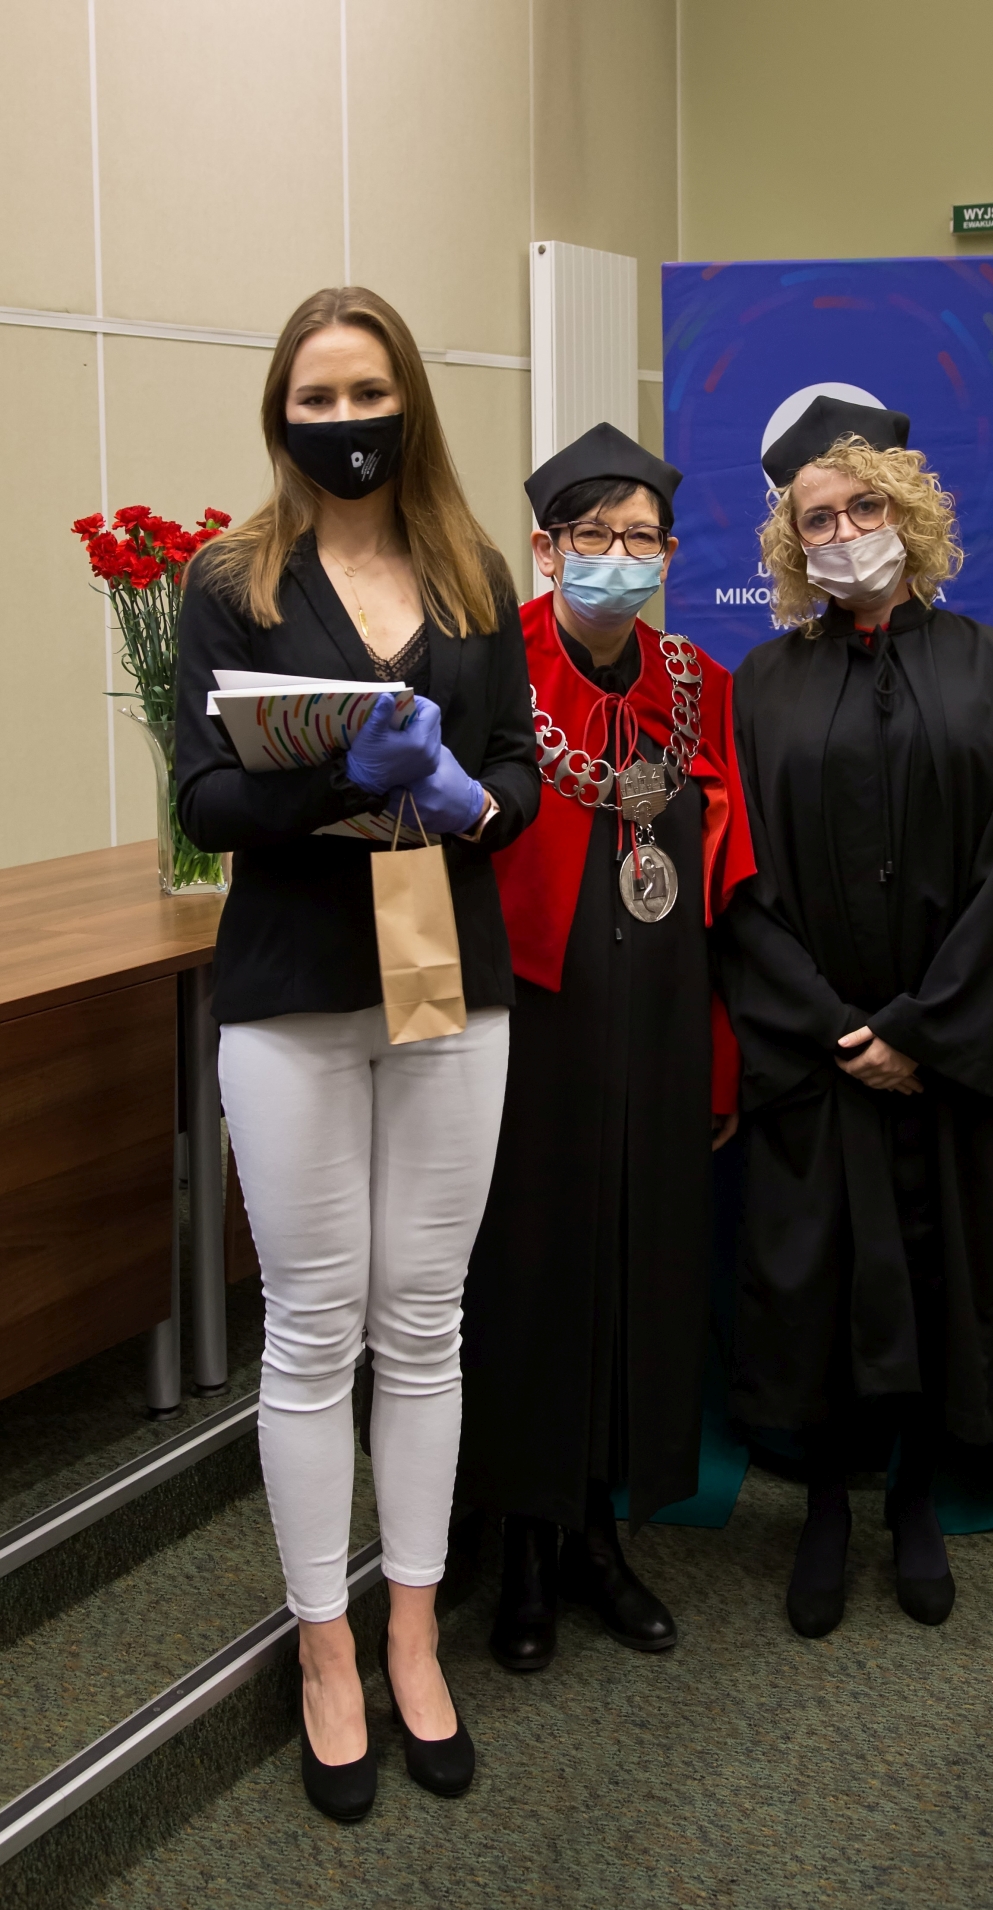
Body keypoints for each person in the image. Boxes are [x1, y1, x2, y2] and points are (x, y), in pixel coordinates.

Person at [175, 286, 539, 1821]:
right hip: (294, 989)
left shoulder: (473, 572)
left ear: (409, 404)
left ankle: (411, 1631)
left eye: (366, 392)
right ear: (281, 414)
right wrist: (337, 773)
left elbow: (516, 778)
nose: (344, 422)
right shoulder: (232, 581)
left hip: (449, 978)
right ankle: (324, 1645)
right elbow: (203, 797)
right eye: (315, 398)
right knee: (316, 1329)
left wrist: (469, 800)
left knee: (427, 1321)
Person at [717, 396, 993, 1639]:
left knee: (937, 1272)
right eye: (816, 519)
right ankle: (822, 1504)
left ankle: (916, 1499)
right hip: (816, 1059)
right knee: (813, 1280)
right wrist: (830, 1027)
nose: (844, 532)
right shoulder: (762, 685)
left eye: (864, 506)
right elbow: (737, 880)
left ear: (908, 514)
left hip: (945, 1060)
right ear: (790, 544)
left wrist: (919, 1030)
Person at [456, 422, 755, 1672]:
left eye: (642, 539)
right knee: (532, 1275)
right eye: (594, 536)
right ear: (546, 548)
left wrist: (717, 1057)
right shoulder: (491, 667)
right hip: (533, 1022)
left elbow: (726, 886)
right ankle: (521, 1545)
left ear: (670, 555)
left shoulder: (698, 683)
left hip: (660, 1021)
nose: (618, 558)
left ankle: (598, 1532)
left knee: (641, 1267)